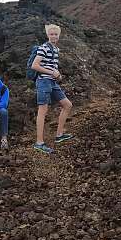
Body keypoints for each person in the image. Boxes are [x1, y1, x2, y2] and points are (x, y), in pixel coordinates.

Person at [30, 24, 74, 154]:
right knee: (43, 110)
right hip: (43, 81)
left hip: (53, 82)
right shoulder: (43, 48)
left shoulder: (56, 49)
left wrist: (57, 74)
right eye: (51, 34)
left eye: (56, 34)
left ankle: (59, 135)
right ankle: (39, 143)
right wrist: (51, 73)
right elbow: (35, 65)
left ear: (58, 36)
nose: (54, 36)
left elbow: (51, 66)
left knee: (67, 105)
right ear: (48, 35)